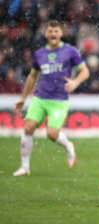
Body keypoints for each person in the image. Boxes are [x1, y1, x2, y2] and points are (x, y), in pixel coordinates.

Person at [13, 20, 90, 176]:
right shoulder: (39, 54)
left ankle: (68, 146)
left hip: (59, 100)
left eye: (56, 31)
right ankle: (25, 167)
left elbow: (85, 72)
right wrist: (23, 98)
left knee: (52, 134)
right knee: (28, 127)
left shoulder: (70, 51)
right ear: (45, 33)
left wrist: (75, 82)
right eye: (50, 31)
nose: (53, 34)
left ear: (61, 33)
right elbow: (32, 77)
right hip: (40, 97)